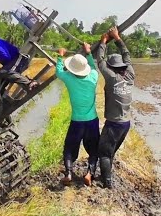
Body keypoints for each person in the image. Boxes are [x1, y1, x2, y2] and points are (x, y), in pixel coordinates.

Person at [96, 26, 135, 189]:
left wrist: (103, 41)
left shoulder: (111, 77)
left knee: (103, 153)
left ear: (112, 67)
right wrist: (117, 38)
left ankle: (107, 182)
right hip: (126, 124)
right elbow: (127, 55)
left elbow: (100, 60)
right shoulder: (131, 74)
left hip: (113, 124)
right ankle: (107, 175)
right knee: (110, 151)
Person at [56, 42, 99, 186]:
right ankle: (89, 173)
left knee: (69, 147)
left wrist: (60, 56)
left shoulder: (69, 78)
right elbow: (93, 67)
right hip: (92, 121)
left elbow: (59, 72)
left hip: (77, 121)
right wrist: (89, 52)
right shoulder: (93, 76)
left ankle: (68, 173)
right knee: (94, 148)